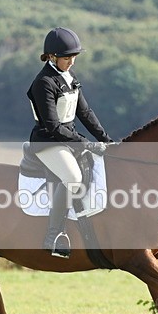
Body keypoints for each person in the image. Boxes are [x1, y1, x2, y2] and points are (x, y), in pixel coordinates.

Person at [27, 27, 114, 258]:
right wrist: (85, 143)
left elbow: (85, 113)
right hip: (48, 142)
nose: (72, 62)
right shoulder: (43, 82)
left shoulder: (69, 78)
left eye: (74, 57)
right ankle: (53, 236)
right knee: (73, 178)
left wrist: (106, 140)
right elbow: (54, 126)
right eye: (68, 58)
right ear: (52, 57)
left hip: (68, 140)